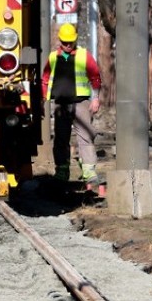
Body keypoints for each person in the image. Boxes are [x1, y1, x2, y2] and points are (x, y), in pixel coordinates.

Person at [41, 23, 104, 193]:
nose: (68, 45)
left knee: (86, 137)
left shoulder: (84, 56)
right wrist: (44, 99)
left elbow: (95, 77)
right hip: (61, 104)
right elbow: (45, 79)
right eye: (65, 42)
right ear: (60, 40)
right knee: (61, 139)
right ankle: (62, 171)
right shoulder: (53, 58)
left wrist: (95, 98)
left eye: (71, 42)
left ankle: (89, 173)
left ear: (75, 40)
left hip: (81, 102)